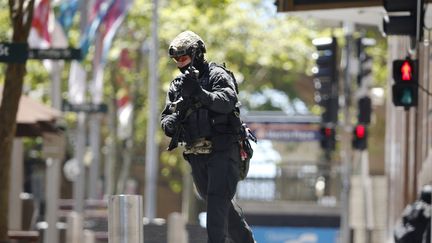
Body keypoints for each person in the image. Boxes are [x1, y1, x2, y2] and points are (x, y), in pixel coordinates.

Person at [160, 30, 256, 243]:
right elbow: (166, 122)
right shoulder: (177, 85)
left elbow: (227, 101)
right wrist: (177, 116)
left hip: (223, 150)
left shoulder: (217, 75)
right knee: (220, 207)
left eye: (183, 57)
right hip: (197, 155)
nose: (180, 63)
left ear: (197, 54)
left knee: (215, 204)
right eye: (176, 59)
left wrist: (200, 94)